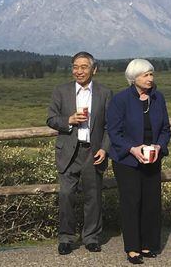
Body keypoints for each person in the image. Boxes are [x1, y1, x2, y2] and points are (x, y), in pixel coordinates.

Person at [47, 51, 112, 255]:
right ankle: (66, 238)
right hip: (68, 153)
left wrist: (104, 148)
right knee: (66, 195)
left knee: (93, 197)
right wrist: (68, 120)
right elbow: (51, 119)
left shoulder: (105, 93)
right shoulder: (61, 91)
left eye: (84, 67)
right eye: (75, 66)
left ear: (94, 69)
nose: (79, 71)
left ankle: (91, 237)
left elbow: (111, 125)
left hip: (93, 152)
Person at [107, 59, 171, 265]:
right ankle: (133, 248)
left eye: (152, 74)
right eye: (146, 75)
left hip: (152, 158)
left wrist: (159, 147)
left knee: (151, 202)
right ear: (134, 78)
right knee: (131, 202)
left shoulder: (158, 98)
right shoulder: (120, 100)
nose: (150, 79)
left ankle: (148, 244)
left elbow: (165, 129)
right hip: (127, 161)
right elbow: (114, 132)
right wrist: (133, 149)